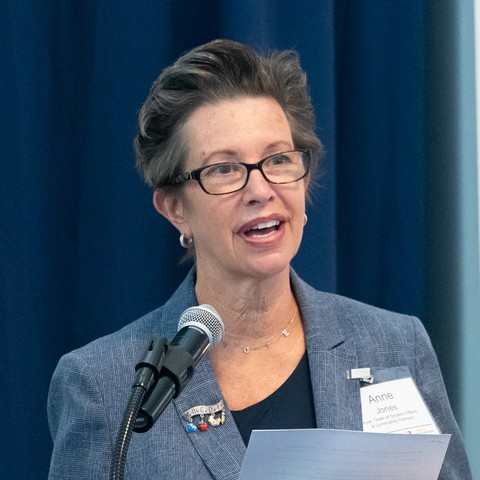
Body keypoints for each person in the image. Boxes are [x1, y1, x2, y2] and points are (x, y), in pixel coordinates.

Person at [47, 39, 472, 479]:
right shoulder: (105, 385)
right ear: (175, 209)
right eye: (224, 169)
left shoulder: (395, 344)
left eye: (279, 160)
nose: (260, 190)